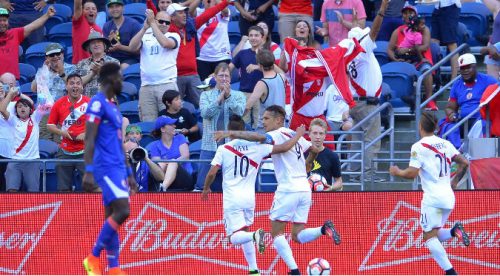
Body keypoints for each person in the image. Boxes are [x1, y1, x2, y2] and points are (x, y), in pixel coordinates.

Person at [215, 105, 341, 275]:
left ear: (278, 120)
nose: (263, 121)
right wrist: (306, 163)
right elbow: (314, 149)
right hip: (304, 189)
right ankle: (323, 228)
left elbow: (258, 137)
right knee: (297, 235)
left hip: (288, 189)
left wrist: (232, 133)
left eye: (266, 118)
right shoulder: (292, 135)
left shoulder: (277, 134)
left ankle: (294, 271)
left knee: (276, 234)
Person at [202, 114, 306, 274]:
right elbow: (284, 147)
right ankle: (253, 269)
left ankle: (255, 235)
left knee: (234, 237)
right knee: (244, 231)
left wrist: (206, 188)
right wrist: (298, 136)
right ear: (244, 130)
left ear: (230, 131)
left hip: (232, 198)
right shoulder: (257, 147)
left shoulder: (223, 149)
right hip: (249, 198)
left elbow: (212, 172)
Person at [389, 111, 470, 275]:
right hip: (448, 197)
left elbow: (412, 173)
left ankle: (451, 272)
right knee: (435, 234)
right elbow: (465, 162)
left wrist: (397, 172)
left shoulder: (418, 147)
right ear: (436, 127)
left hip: (432, 198)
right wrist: (454, 182)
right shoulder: (445, 144)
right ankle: (455, 231)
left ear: (420, 126)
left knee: (428, 237)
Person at [82, 62, 138, 275]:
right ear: (110, 79)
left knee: (112, 216)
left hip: (118, 167)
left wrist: (129, 172)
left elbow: (118, 142)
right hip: (105, 167)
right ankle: (93, 256)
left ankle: (114, 267)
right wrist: (88, 169)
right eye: (120, 77)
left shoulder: (113, 106)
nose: (122, 81)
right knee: (123, 211)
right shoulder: (96, 103)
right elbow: (89, 138)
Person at [344, 0, 389, 183]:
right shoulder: (363, 50)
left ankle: (354, 174)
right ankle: (368, 176)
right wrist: (382, 11)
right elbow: (375, 31)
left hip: (356, 101)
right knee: (371, 141)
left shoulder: (350, 53)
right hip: (367, 103)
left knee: (356, 140)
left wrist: (354, 24)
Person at [168, 0, 231, 108]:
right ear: (172, 17)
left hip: (193, 74)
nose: (184, 15)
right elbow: (155, 18)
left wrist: (225, 2)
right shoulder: (167, 30)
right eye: (181, 13)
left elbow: (209, 13)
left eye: (185, 13)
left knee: (204, 106)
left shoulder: (191, 26)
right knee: (175, 107)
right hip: (175, 75)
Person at [193, 62, 246, 192]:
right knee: (202, 184)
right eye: (221, 75)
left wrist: (228, 97)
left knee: (231, 184)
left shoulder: (239, 95)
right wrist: (219, 99)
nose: (224, 79)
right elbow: (205, 113)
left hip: (231, 145)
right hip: (209, 145)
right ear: (215, 77)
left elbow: (239, 113)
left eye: (227, 76)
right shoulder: (206, 95)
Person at [47, 73, 99, 192]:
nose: (75, 86)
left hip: (86, 150)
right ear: (66, 86)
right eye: (71, 83)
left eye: (78, 83)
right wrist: (62, 133)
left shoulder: (90, 102)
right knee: (63, 190)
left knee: (93, 188)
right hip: (65, 150)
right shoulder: (59, 103)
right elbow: (50, 125)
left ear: (82, 87)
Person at [129, 9, 180, 122]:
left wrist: (152, 23)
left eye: (167, 22)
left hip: (167, 85)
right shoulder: (146, 35)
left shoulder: (174, 35)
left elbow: (165, 43)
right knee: (148, 123)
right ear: (155, 20)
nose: (164, 24)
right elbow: (132, 47)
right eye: (161, 21)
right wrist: (144, 28)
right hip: (147, 86)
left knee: (169, 123)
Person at [387, 5, 437, 111]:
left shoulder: (424, 28)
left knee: (427, 70)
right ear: (402, 16)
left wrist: (407, 49)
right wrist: (395, 60)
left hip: (420, 59)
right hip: (404, 61)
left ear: (416, 15)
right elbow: (390, 50)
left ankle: (429, 100)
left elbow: (425, 46)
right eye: (405, 13)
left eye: (411, 12)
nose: (408, 15)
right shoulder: (398, 31)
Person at [0, 86, 49, 192]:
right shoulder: (13, 121)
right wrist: (10, 94)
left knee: (33, 192)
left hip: (32, 161)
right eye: (19, 106)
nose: (22, 108)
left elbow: (40, 103)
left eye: (25, 106)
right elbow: (2, 109)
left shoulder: (35, 118)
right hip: (15, 161)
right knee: (11, 191)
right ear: (16, 110)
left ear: (30, 109)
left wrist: (19, 94)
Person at [31, 43, 77, 141]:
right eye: (52, 55)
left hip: (64, 111)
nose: (55, 57)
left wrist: (62, 72)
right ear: (47, 57)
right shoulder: (43, 70)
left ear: (63, 54)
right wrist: (44, 70)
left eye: (58, 53)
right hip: (45, 112)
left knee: (60, 141)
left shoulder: (72, 69)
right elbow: (33, 88)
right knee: (44, 140)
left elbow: (75, 89)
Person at [445, 53, 497, 133]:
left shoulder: (488, 81)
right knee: (447, 127)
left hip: (482, 120)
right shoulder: (457, 85)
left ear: (475, 66)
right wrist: (451, 114)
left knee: (482, 125)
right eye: (462, 68)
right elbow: (450, 107)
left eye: (468, 67)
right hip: (463, 121)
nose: (465, 71)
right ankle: (456, 146)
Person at [0, 6, 55, 79]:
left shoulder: (14, 33)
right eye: (0, 20)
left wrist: (47, 15)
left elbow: (33, 26)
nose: (2, 23)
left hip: (12, 82)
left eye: (5, 20)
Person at [230, 25, 264, 128]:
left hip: (261, 95)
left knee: (259, 124)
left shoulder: (266, 54)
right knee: (245, 123)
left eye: (256, 35)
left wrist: (257, 67)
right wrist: (217, 73)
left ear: (262, 37)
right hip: (245, 93)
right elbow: (230, 67)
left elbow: (272, 71)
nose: (253, 38)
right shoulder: (242, 53)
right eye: (251, 35)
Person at [245, 49, 286, 133]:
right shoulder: (281, 77)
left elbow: (248, 106)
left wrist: (236, 117)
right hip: (281, 126)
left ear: (260, 65)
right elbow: (279, 70)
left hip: (266, 129)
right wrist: (266, 61)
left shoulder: (262, 83)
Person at [148, 115, 194, 191]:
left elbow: (185, 156)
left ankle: (163, 188)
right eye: (171, 124)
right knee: (160, 164)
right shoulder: (154, 145)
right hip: (165, 177)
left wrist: (170, 162)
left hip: (184, 178)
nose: (174, 126)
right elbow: (158, 168)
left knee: (173, 162)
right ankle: (163, 187)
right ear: (163, 129)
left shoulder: (180, 137)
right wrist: (168, 163)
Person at [193, 0, 232, 81]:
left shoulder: (222, 13)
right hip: (202, 57)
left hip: (221, 56)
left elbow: (225, 11)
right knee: (204, 86)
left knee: (222, 84)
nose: (209, 1)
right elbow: (190, 11)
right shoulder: (198, 12)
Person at [77, 31, 120, 98]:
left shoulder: (114, 62)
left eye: (99, 42)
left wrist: (101, 71)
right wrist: (92, 73)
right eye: (93, 43)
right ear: (89, 48)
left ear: (104, 46)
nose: (96, 44)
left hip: (107, 101)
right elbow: (77, 84)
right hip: (87, 103)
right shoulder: (81, 64)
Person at [103, 0, 142, 70]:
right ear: (108, 10)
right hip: (113, 58)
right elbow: (106, 50)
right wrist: (110, 44)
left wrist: (120, 47)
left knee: (122, 68)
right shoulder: (106, 25)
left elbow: (139, 51)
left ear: (123, 8)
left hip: (131, 58)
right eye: (111, 7)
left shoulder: (134, 24)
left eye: (117, 6)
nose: (114, 9)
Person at [308, 118, 343, 191]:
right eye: (315, 133)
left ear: (325, 135)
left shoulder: (332, 156)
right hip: (304, 197)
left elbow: (339, 182)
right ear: (309, 134)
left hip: (324, 197)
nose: (318, 137)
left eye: (321, 133)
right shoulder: (301, 154)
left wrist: (331, 188)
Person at [431, 0, 461, 80]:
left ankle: (454, 79)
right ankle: (436, 78)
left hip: (450, 7)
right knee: (434, 43)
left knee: (451, 43)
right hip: (437, 7)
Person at [72, 0, 103, 64]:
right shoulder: (79, 22)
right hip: (79, 65)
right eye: (87, 9)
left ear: (97, 12)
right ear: (82, 11)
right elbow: (77, 6)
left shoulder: (99, 29)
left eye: (93, 9)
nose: (91, 10)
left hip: (95, 65)